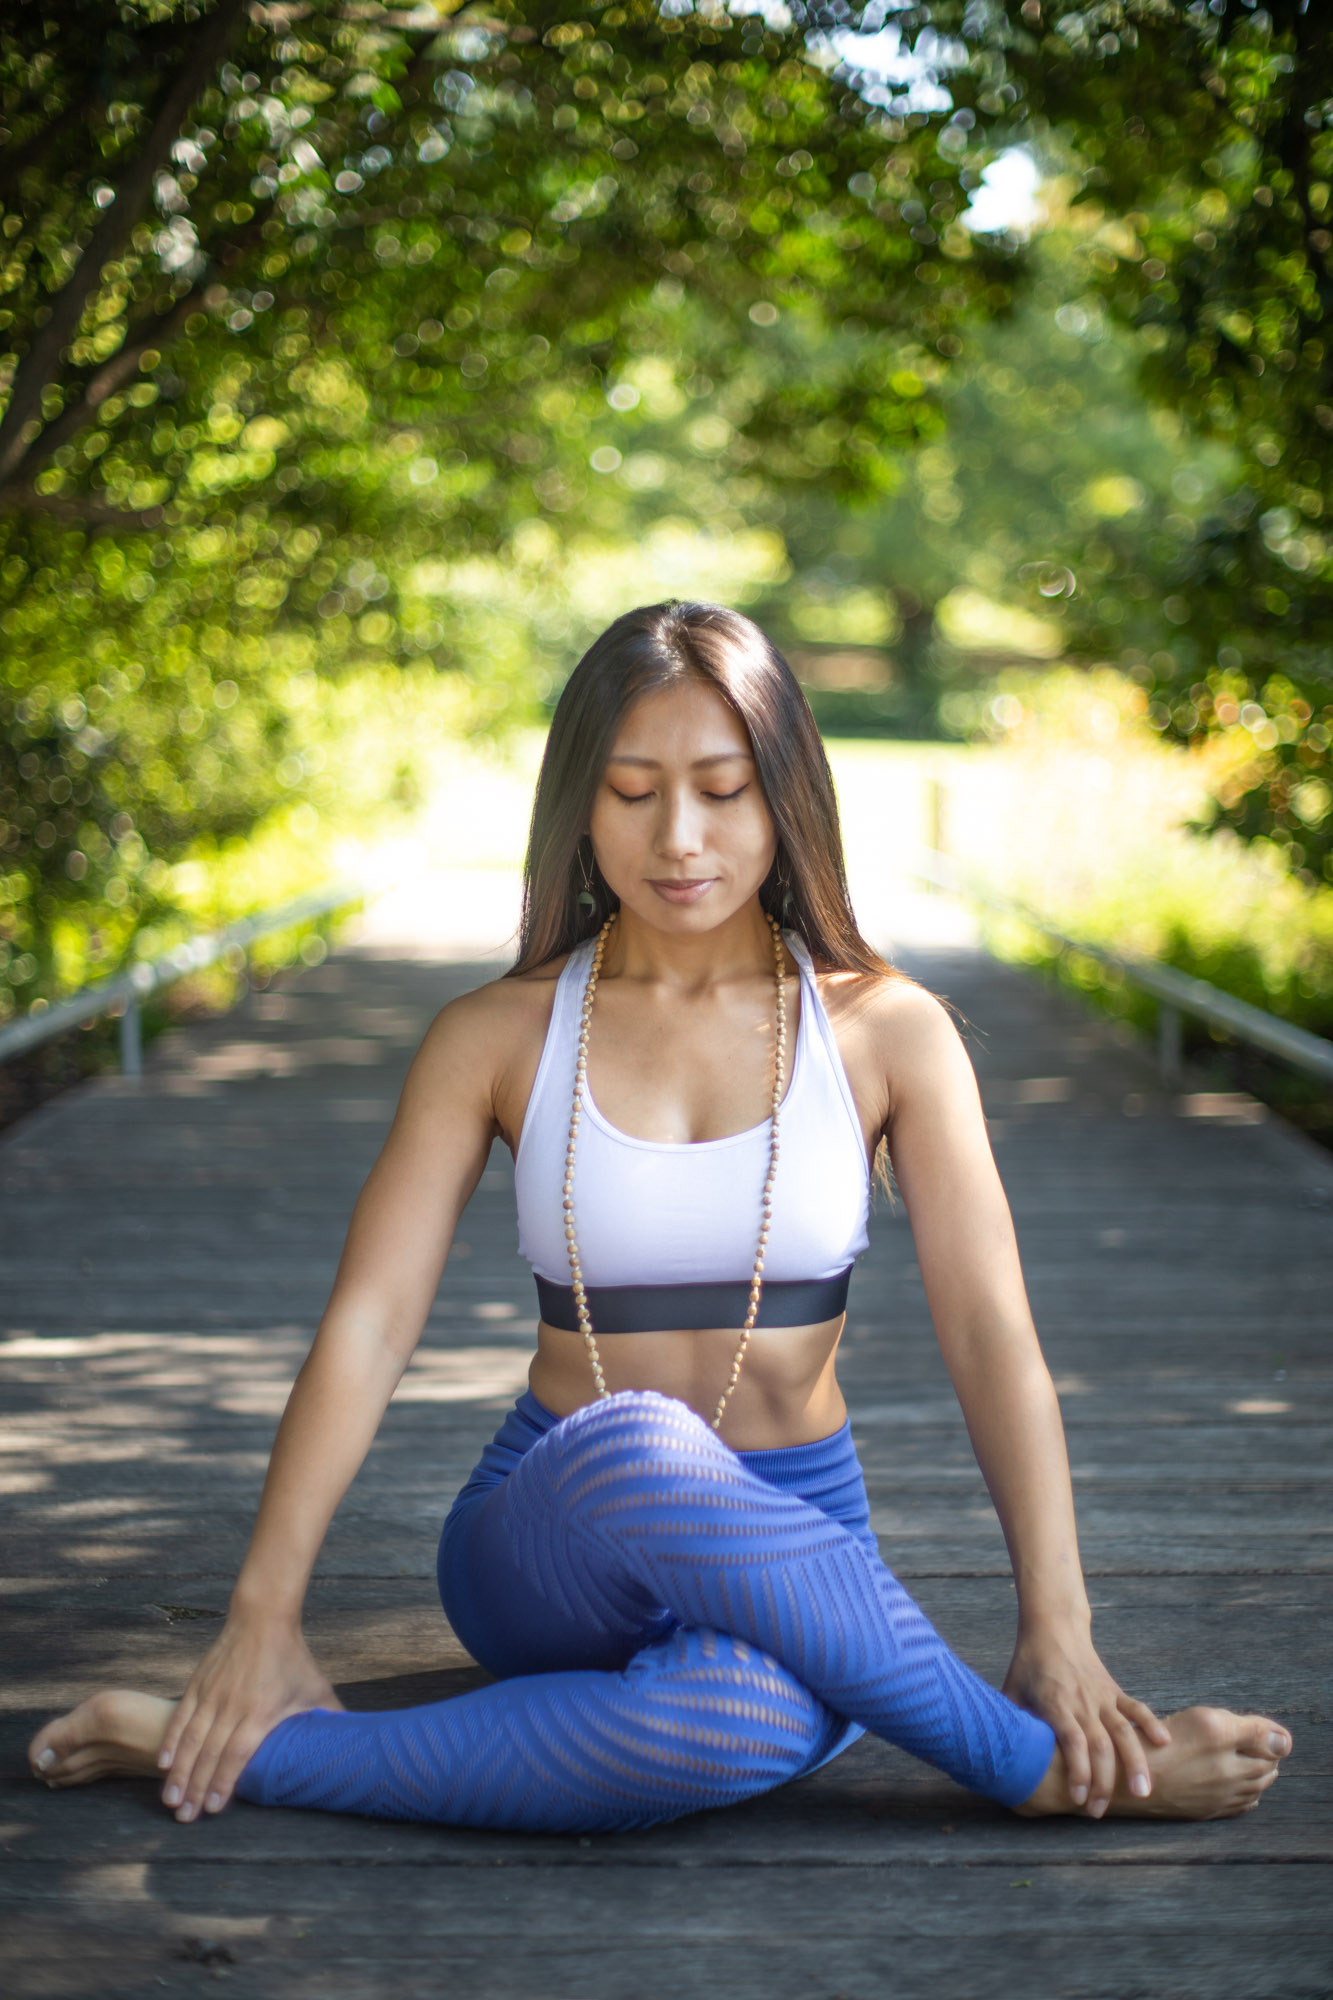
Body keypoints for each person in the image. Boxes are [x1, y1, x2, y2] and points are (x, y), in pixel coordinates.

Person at [30, 601, 1291, 1831]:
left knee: (725, 1721)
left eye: (721, 787)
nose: (678, 835)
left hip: (802, 1529)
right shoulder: (496, 1034)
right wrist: (264, 1615)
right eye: (632, 791)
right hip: (554, 1531)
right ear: (580, 804)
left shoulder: (885, 1032)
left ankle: (271, 1758)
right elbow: (369, 1324)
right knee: (644, 1440)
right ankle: (1028, 1767)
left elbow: (992, 1337)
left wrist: (1055, 1627)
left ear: (784, 793)